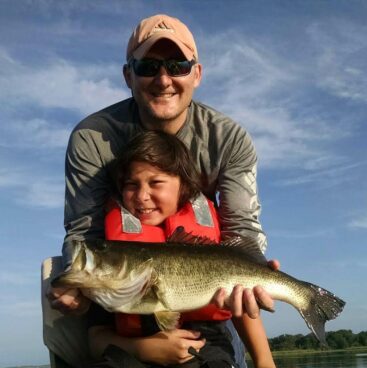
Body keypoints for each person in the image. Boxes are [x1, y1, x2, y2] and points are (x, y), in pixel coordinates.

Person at [48, 12, 277, 324]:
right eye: (148, 67)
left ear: (196, 74)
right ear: (128, 75)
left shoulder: (229, 139)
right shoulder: (92, 139)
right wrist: (74, 284)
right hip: (121, 291)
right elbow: (83, 231)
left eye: (177, 66)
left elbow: (243, 231)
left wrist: (257, 272)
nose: (163, 79)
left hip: (207, 292)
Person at [55, 132, 306, 368]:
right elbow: (96, 340)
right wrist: (144, 348)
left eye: (156, 183)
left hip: (202, 357)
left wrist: (265, 366)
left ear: (183, 187)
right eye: (131, 184)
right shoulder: (108, 275)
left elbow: (243, 308)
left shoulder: (213, 244)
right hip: (125, 362)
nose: (142, 195)